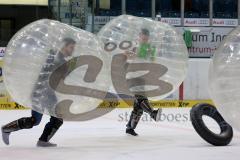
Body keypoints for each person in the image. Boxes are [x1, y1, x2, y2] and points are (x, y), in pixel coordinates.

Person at [1, 38, 76, 147]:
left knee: (56, 119)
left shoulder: (59, 58)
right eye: (71, 47)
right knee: (35, 121)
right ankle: (7, 128)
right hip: (41, 93)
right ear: (64, 46)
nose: (73, 50)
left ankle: (43, 140)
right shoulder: (55, 57)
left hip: (48, 93)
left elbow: (58, 79)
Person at [125, 28, 161, 136]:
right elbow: (126, 54)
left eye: (146, 36)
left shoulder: (150, 49)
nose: (144, 38)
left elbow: (152, 62)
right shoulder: (134, 46)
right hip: (132, 77)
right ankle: (152, 113)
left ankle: (130, 128)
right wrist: (136, 54)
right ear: (139, 36)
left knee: (138, 107)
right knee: (141, 99)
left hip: (142, 78)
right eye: (142, 36)